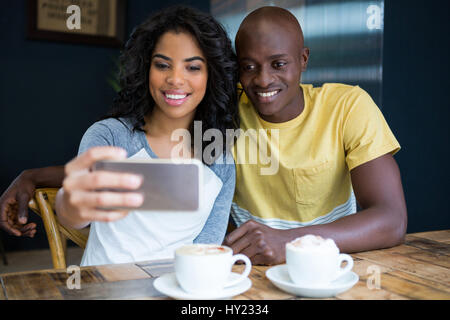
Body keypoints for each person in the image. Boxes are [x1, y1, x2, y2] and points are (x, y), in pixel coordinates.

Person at [1, 6, 407, 266]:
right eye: (248, 67)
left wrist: (286, 242)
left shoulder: (344, 107)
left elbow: (390, 220)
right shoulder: (215, 119)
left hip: (331, 262)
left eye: (279, 64)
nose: (263, 80)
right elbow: (124, 173)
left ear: (303, 61)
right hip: (226, 271)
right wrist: (39, 179)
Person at [0, 5, 238, 266]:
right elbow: (76, 216)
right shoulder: (110, 136)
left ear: (211, 75)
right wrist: (71, 205)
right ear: (146, 68)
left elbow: (204, 251)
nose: (175, 79)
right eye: (162, 65)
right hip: (105, 288)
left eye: (193, 67)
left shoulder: (220, 161)